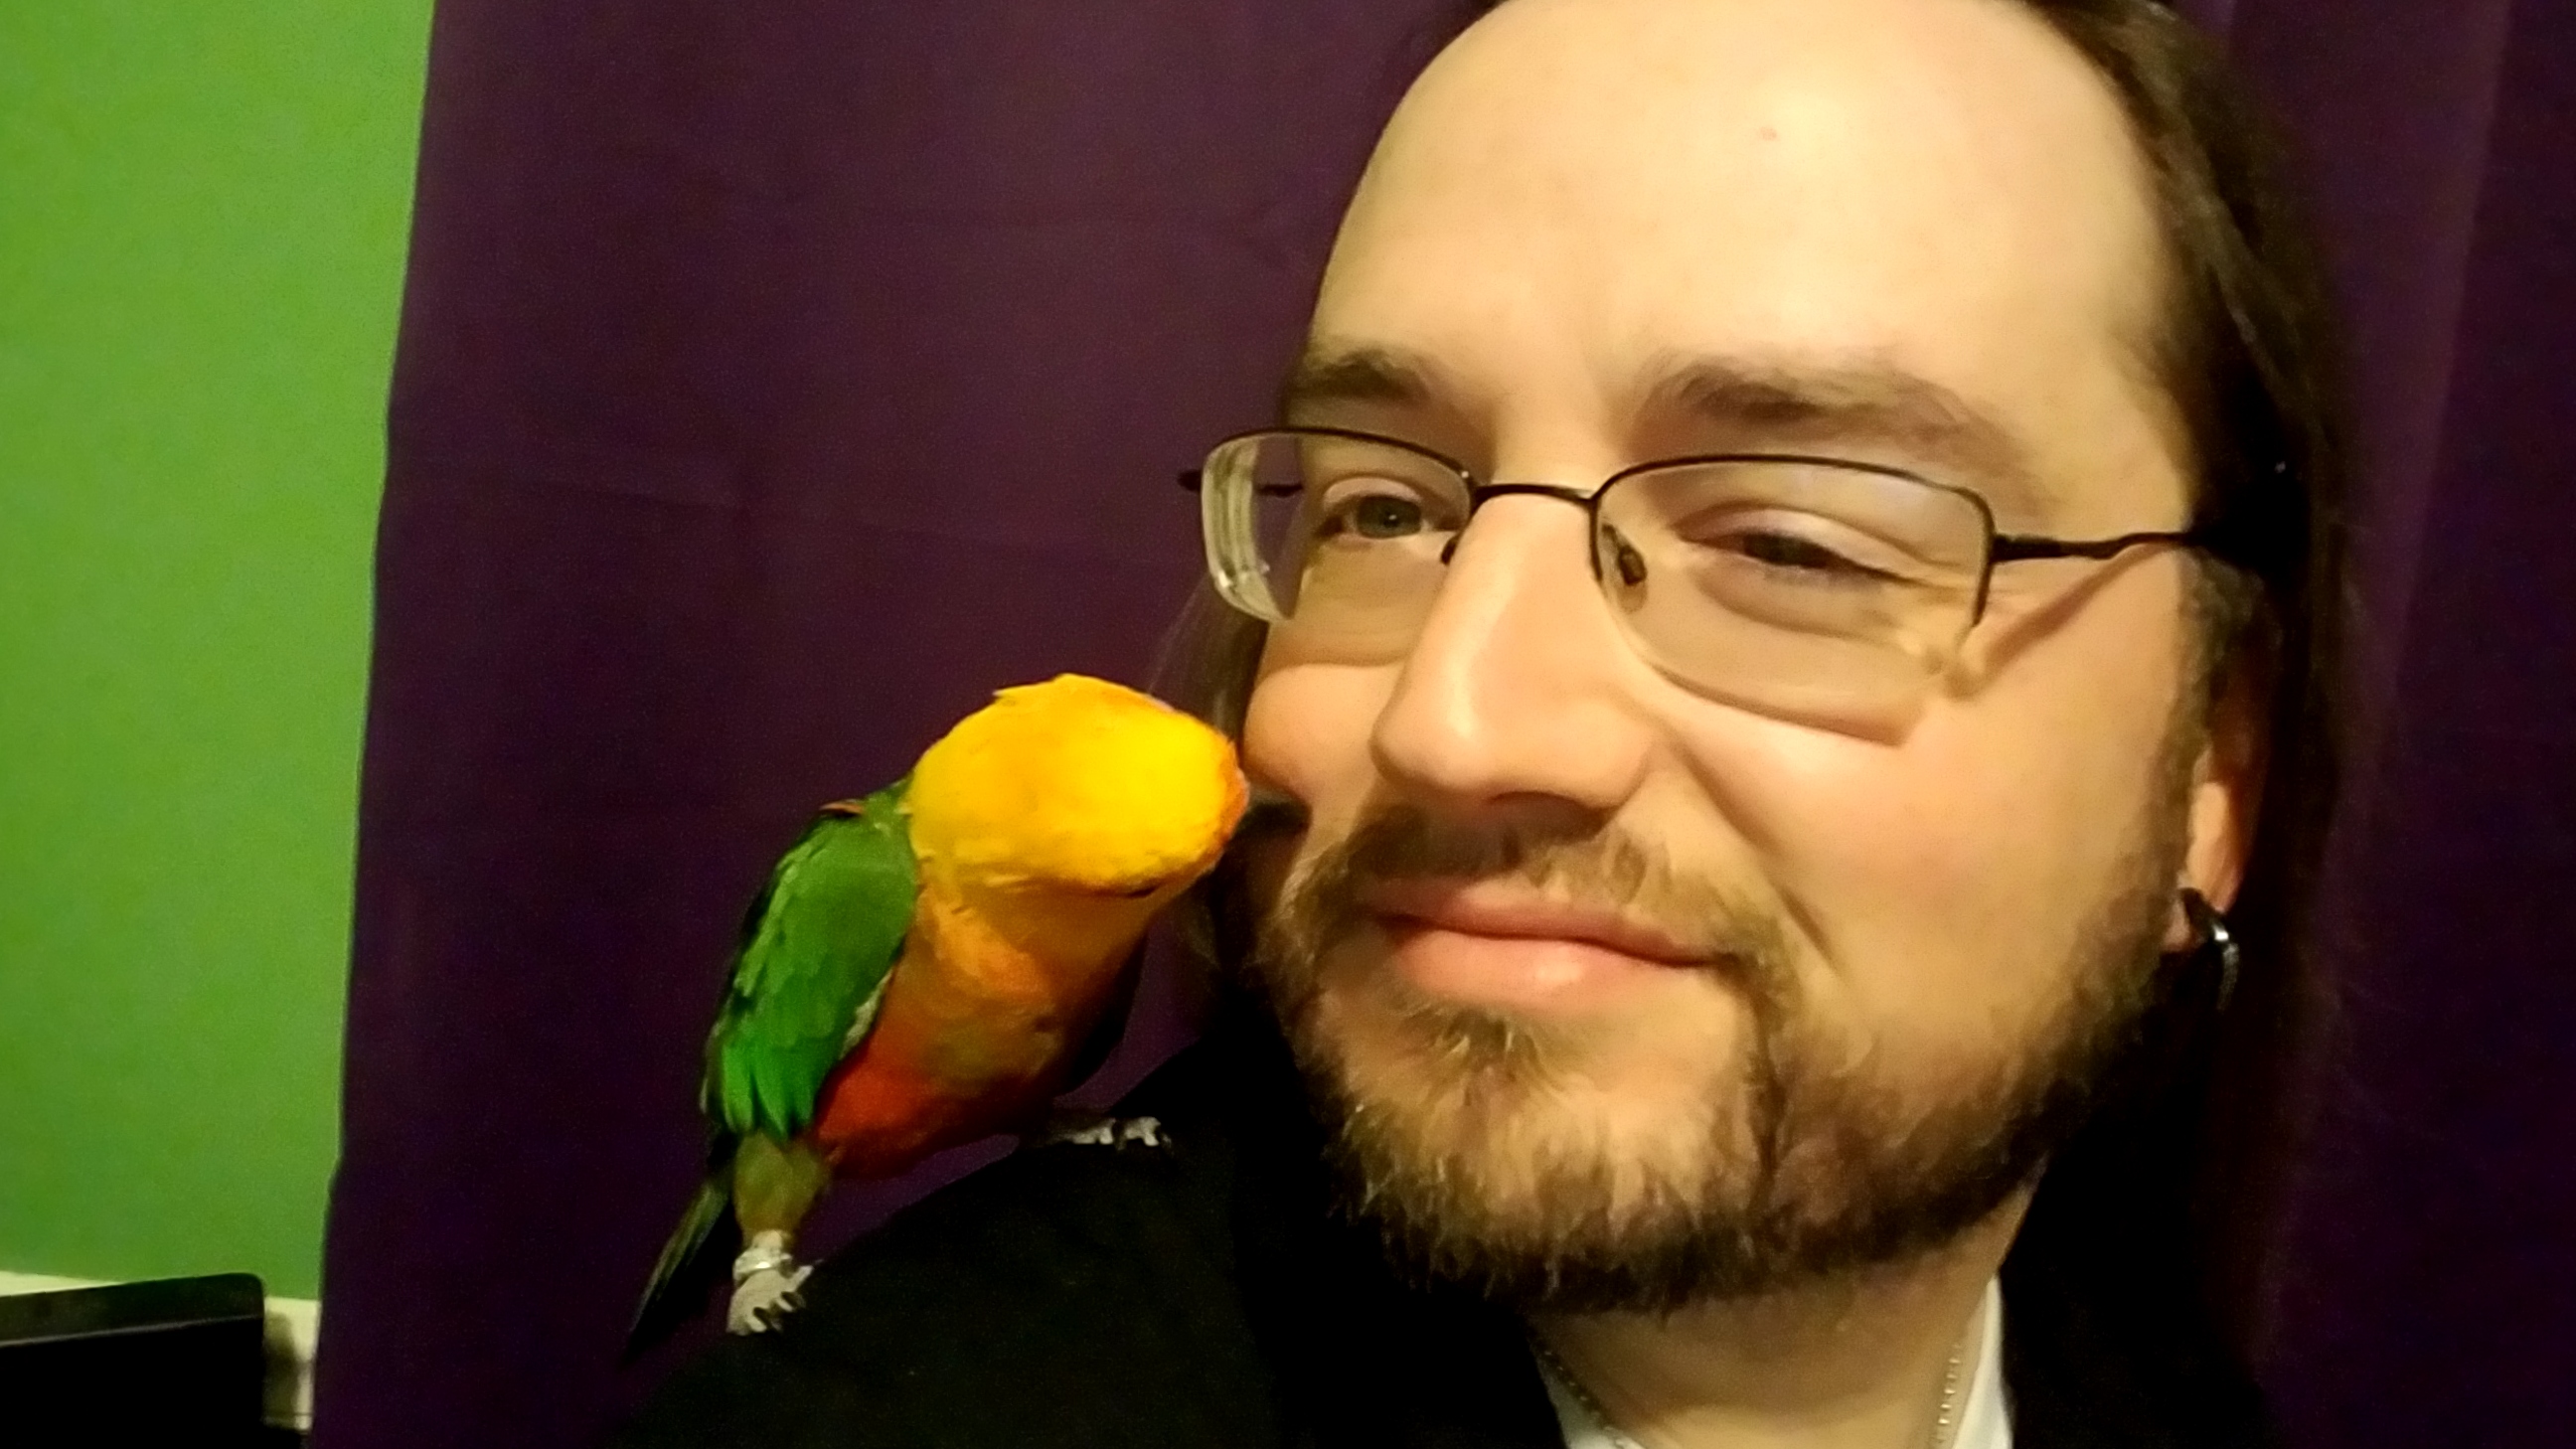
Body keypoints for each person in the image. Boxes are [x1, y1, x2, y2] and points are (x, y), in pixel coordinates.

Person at [617, 0, 2346, 1443]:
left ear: (2213, 773)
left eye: (1791, 542)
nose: (1449, 725)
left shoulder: (2158, 1379)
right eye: (1381, 509)